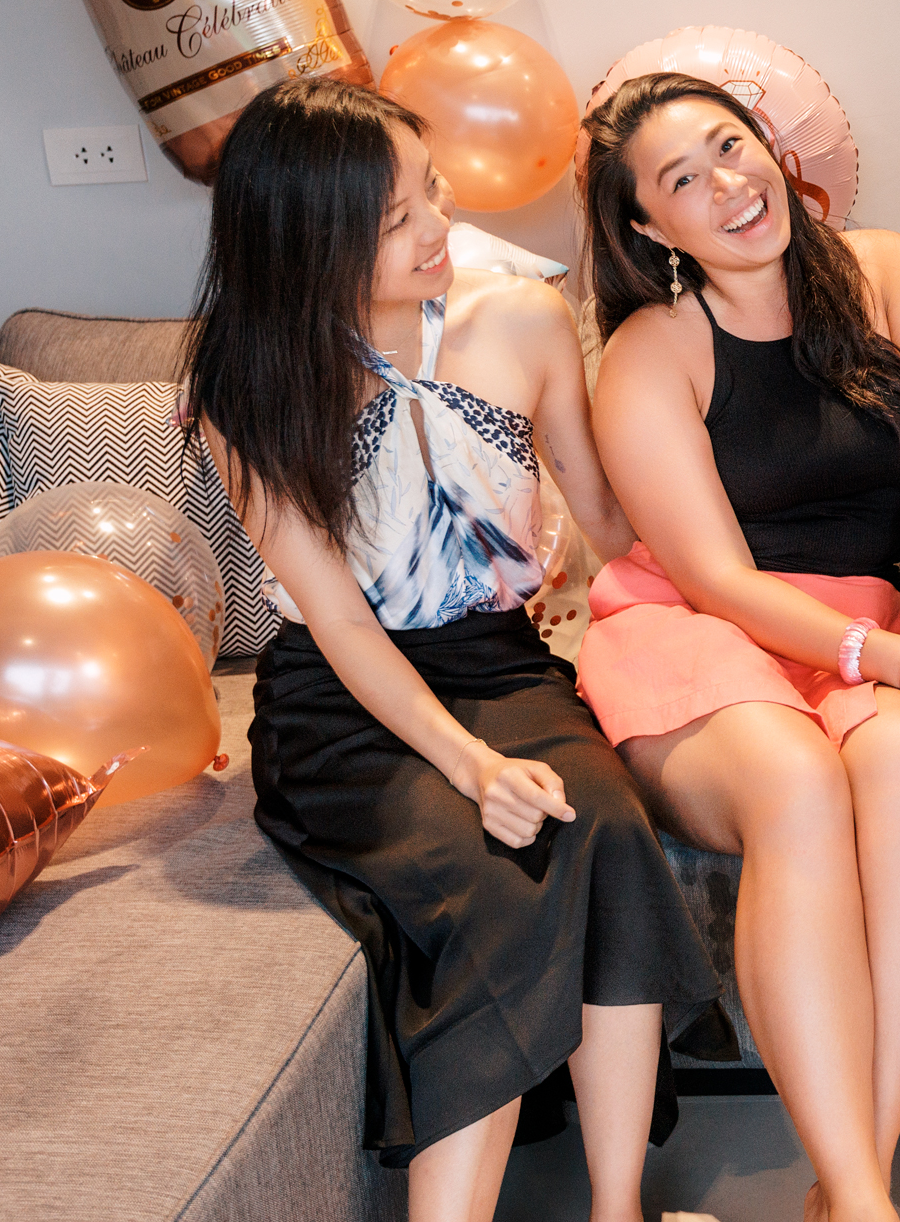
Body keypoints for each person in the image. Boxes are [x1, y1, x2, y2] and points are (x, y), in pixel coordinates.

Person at [186, 77, 717, 1222]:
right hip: (343, 700)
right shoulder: (247, 380)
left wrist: (739, 594)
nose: (439, 226)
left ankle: (616, 1207)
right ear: (308, 235)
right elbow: (334, 617)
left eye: (431, 191)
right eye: (395, 219)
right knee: (492, 883)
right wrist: (471, 767)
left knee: (609, 830)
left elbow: (608, 512)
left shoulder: (518, 318)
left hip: (501, 661)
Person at [575, 70, 900, 1222]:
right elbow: (716, 577)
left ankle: (843, 1188)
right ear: (644, 226)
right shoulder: (649, 352)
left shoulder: (889, 271)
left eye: (732, 145)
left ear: (770, 142)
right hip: (699, 631)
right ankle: (873, 1208)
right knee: (797, 781)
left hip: (866, 631)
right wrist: (899, 663)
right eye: (682, 178)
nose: (728, 184)